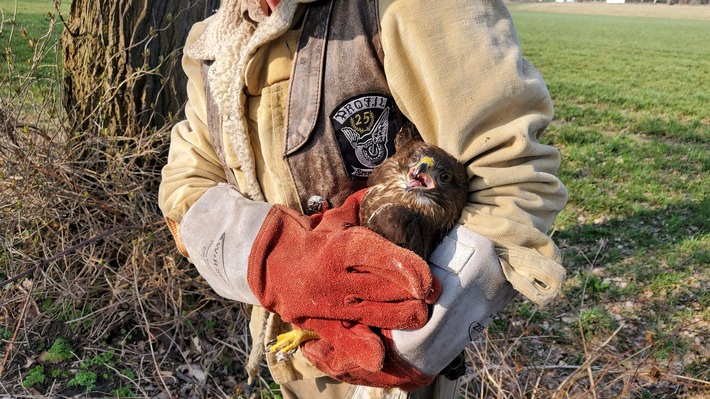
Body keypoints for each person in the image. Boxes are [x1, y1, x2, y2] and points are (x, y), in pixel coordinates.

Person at [158, 0, 568, 398]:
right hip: (286, 337)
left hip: (384, 358)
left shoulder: (417, 6)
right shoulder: (216, 37)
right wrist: (269, 259)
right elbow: (187, 181)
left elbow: (512, 178)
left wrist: (411, 344)